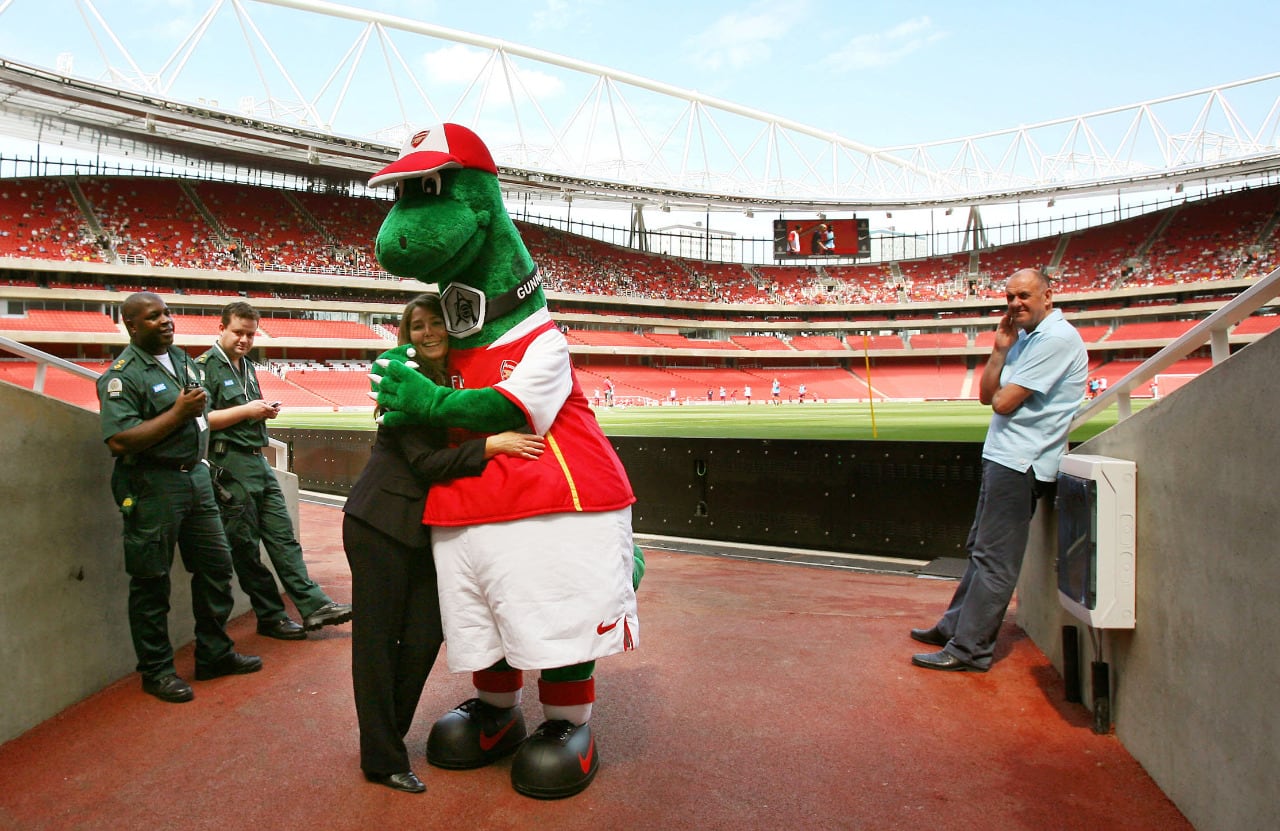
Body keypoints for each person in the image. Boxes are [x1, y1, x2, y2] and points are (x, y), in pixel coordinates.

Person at [344, 294, 545, 793]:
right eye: (417, 326)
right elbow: (427, 465)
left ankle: (386, 739)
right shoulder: (403, 383)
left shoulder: (447, 382)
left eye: (437, 322)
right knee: (376, 645)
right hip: (379, 524)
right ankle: (383, 757)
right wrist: (491, 446)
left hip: (418, 530)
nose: (429, 332)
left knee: (422, 636)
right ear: (405, 335)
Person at [910, 269, 1088, 672]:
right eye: (1009, 297)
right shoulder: (1025, 338)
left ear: (1048, 296)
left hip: (1022, 461)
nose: (1014, 304)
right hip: (1004, 456)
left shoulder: (1057, 339)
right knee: (980, 549)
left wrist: (1004, 376)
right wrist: (999, 349)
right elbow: (986, 395)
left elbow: (1004, 404)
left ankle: (970, 649)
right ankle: (953, 627)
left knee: (996, 560)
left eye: (1024, 295)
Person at [97, 292, 261, 703]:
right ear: (132, 326)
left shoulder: (185, 360)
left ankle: (214, 654)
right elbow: (119, 441)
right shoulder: (122, 375)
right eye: (153, 317)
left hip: (196, 479)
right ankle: (156, 671)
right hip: (153, 485)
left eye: (167, 313)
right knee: (152, 581)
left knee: (216, 568)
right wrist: (177, 414)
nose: (166, 321)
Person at [197, 302, 352, 639]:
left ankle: (313, 607)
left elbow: (243, 412)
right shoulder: (203, 368)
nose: (244, 340)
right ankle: (271, 617)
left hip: (256, 460)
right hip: (229, 465)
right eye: (238, 332)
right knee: (246, 549)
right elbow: (202, 420)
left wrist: (262, 412)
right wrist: (246, 411)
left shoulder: (247, 367)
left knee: (284, 539)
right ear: (221, 327)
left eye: (250, 334)